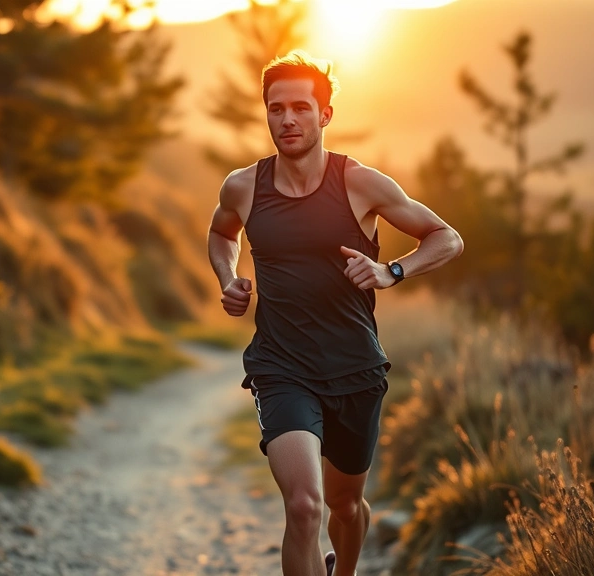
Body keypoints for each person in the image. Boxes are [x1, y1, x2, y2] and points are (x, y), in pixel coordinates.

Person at [206, 50, 463, 576]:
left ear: (325, 115)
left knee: (345, 506)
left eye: (301, 107)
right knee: (304, 507)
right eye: (276, 109)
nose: (288, 119)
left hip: (355, 369)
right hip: (282, 368)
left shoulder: (359, 183)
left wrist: (391, 271)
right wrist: (228, 279)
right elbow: (220, 234)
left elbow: (447, 238)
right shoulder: (244, 186)